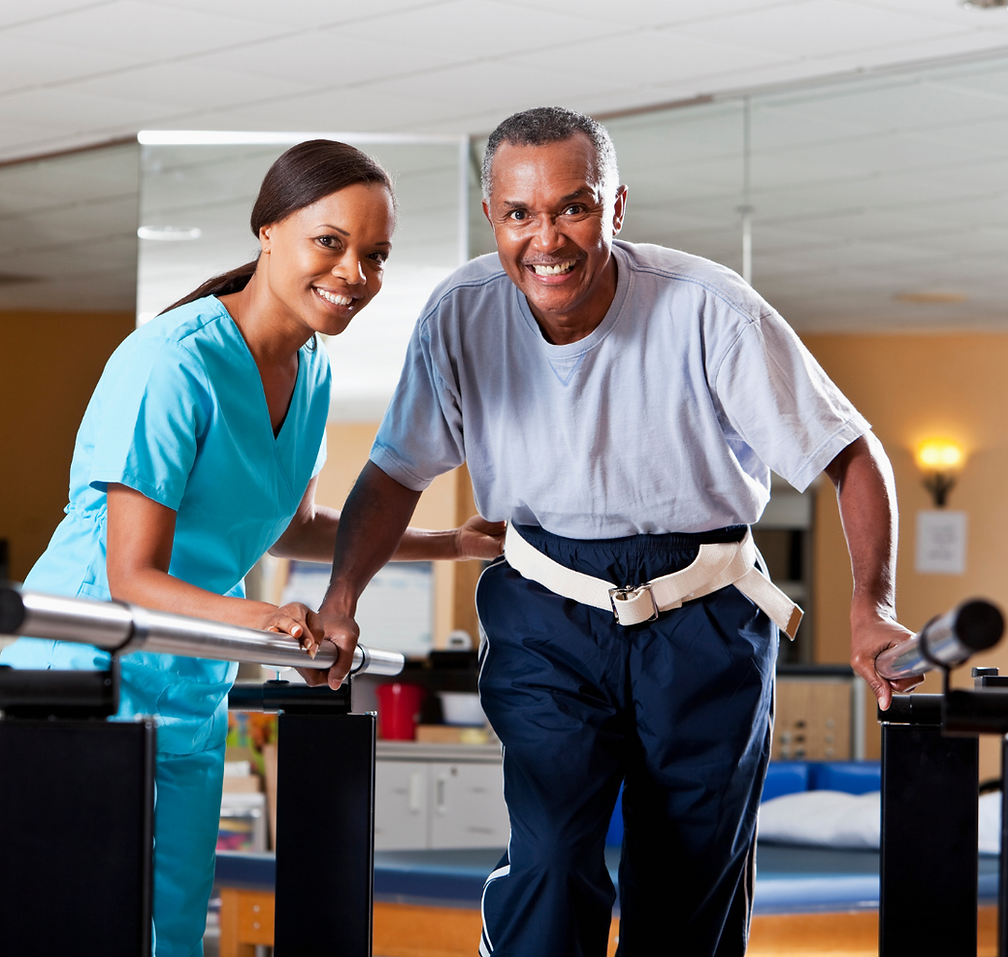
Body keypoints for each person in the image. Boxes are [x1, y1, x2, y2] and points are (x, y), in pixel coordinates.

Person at [309, 107, 922, 956]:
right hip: (546, 614)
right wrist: (341, 600)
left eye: (574, 206)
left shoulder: (708, 308)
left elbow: (848, 454)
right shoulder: (460, 314)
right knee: (554, 859)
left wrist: (871, 603)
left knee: (686, 880)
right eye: (520, 213)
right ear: (492, 217)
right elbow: (393, 474)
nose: (546, 238)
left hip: (705, 617)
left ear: (617, 207)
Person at [0, 139, 504, 957]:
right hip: (87, 678)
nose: (355, 273)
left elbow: (291, 525)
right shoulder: (173, 363)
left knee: (170, 932)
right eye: (330, 241)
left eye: (374, 255)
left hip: (188, 682)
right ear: (268, 230)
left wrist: (456, 541)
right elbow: (132, 574)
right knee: (83, 925)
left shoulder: (311, 372)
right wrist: (268, 617)